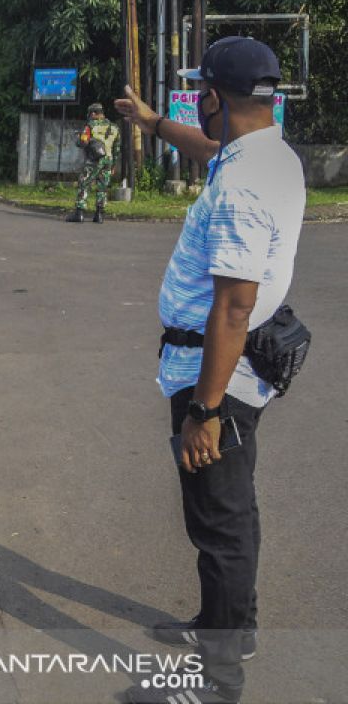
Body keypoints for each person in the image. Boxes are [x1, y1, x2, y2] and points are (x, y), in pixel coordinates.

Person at [114, 36, 304, 704]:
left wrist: (205, 410)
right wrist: (152, 123)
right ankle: (232, 629)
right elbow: (211, 151)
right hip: (239, 364)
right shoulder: (267, 154)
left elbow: (234, 304)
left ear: (214, 97)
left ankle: (218, 684)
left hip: (215, 371)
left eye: (199, 93)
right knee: (233, 508)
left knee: (219, 524)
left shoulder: (242, 188)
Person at [66, 102, 120, 223]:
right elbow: (117, 148)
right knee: (103, 187)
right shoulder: (115, 127)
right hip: (109, 160)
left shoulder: (90, 126)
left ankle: (79, 213)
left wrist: (78, 139)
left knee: (84, 182)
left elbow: (83, 142)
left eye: (91, 113)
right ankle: (99, 215)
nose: (90, 116)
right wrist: (114, 165)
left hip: (94, 160)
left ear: (94, 113)